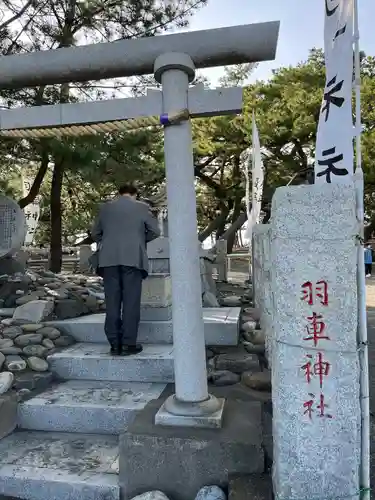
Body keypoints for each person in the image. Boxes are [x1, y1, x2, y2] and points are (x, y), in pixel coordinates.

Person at [91, 184, 160, 356]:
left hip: (108, 260)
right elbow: (155, 231)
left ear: (119, 194)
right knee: (131, 302)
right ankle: (129, 343)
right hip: (133, 259)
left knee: (112, 301)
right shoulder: (142, 207)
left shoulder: (105, 208)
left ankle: (114, 344)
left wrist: (109, 240)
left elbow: (95, 233)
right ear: (135, 194)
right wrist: (138, 239)